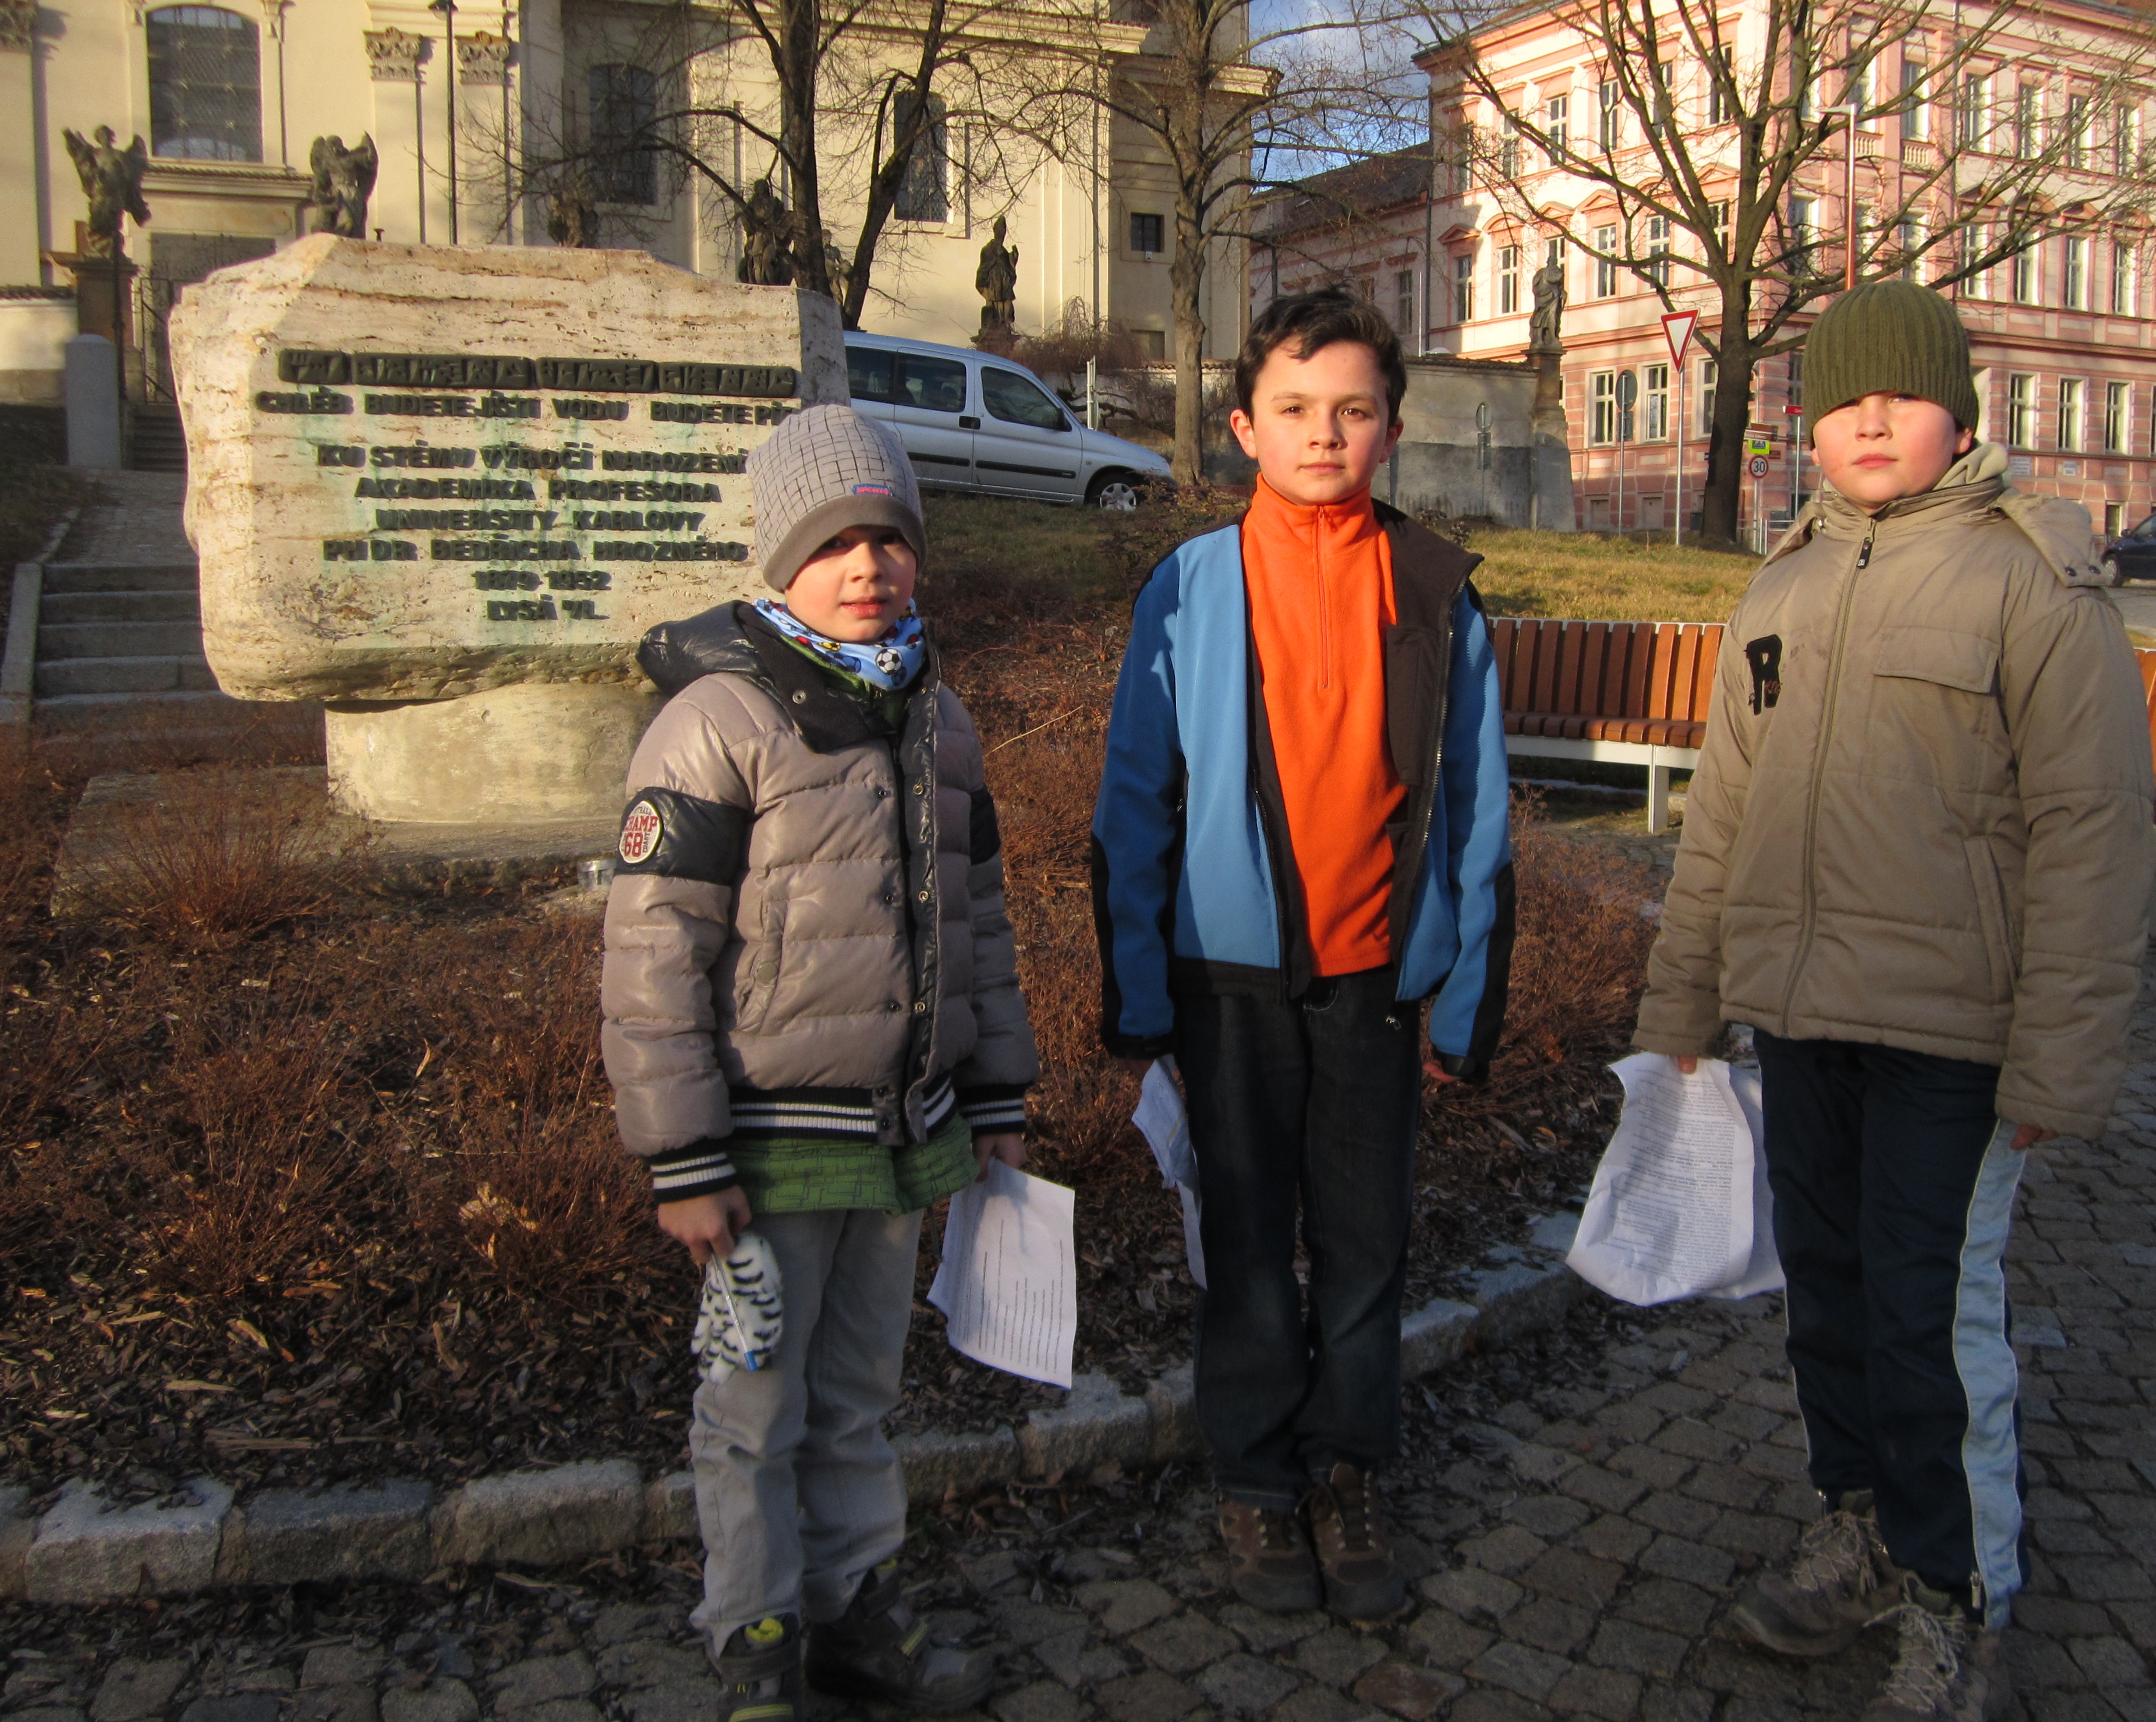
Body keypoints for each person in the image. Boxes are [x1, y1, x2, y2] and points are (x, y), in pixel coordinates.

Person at [1632, 280, 2154, 1722]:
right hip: (1803, 1020)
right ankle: (1859, 1525)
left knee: (1930, 1317)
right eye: (1844, 399)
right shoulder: (1783, 586)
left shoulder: (2031, 582)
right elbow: (1722, 820)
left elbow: (2093, 834)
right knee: (1830, 1296)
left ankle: (1954, 1592)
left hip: (1957, 1037)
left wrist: (2059, 1062)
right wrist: (1682, 1006)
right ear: (1808, 427)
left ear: (1960, 417)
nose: (1870, 420)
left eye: (1903, 396)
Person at [600, 404, 1039, 1722]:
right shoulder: (716, 723)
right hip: (767, 1143)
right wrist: (684, 1155)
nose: (867, 567)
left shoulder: (937, 716)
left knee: (857, 1395)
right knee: (752, 1403)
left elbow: (980, 919)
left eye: (889, 539)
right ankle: (756, 1635)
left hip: (899, 1135)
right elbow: (655, 952)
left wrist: (995, 1089)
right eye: (833, 543)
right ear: (779, 556)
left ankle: (856, 1609)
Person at [1091, 288, 1516, 1619]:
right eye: (1293, 408)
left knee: (1366, 1241)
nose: (1323, 433)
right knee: (1246, 1241)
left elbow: (1479, 808)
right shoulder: (1191, 586)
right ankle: (1257, 1475)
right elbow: (1134, 799)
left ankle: (1347, 1467)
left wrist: (1466, 1004)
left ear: (1392, 428)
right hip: (1228, 983)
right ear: (1244, 428)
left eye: (1352, 410)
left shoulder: (1436, 589)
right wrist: (1140, 997)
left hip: (1375, 982)